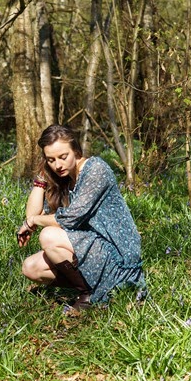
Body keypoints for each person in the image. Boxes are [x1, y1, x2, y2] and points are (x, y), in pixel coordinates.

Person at [17, 124, 146, 311]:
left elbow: (68, 219)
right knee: (31, 267)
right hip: (93, 249)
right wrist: (42, 177)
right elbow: (32, 215)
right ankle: (93, 290)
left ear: (76, 150)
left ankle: (90, 296)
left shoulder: (95, 169)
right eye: (51, 160)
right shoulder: (65, 180)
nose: (58, 165)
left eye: (63, 157)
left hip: (118, 256)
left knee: (48, 236)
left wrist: (33, 222)